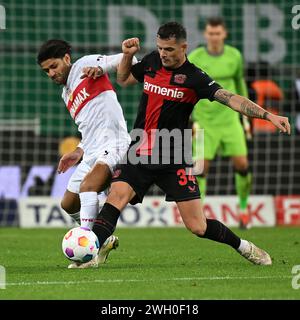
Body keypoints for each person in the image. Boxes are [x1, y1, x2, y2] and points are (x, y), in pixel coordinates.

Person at [75, 21, 290, 269]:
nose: (163, 54)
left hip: (173, 156)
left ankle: (244, 246)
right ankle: (89, 256)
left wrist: (267, 115)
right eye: (160, 48)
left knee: (198, 226)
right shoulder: (152, 61)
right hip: (139, 150)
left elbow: (231, 99)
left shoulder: (194, 77)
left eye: (169, 49)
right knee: (116, 198)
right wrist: (127, 55)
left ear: (183, 47)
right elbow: (123, 79)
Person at [37, 39, 135, 268]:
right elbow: (88, 127)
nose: (51, 73)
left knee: (88, 188)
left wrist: (102, 68)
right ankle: (104, 234)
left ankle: (90, 250)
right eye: (46, 71)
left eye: (53, 66)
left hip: (115, 142)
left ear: (67, 59)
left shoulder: (87, 64)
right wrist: (78, 151)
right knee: (69, 203)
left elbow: (123, 60)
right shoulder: (66, 94)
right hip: (91, 149)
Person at [188, 17, 252, 229]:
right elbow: (189, 89)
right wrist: (192, 119)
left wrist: (245, 117)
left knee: (242, 164)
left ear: (224, 34)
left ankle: (243, 210)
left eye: (217, 33)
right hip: (205, 121)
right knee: (201, 168)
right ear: (206, 35)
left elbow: (239, 83)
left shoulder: (235, 56)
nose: (214, 37)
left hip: (230, 120)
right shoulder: (196, 57)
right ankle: (200, 214)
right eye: (210, 33)